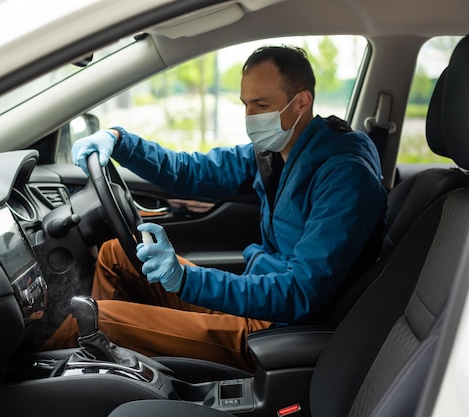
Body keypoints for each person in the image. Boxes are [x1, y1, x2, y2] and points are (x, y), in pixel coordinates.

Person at [41, 45, 387, 371]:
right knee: (116, 254)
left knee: (96, 321)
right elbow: (190, 171)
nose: (250, 117)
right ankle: (110, 371)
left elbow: (299, 292)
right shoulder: (276, 152)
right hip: (256, 293)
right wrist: (121, 142)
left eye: (262, 105)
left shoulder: (345, 176)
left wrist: (187, 280)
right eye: (245, 104)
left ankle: (20, 384)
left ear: (301, 103)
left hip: (276, 325)